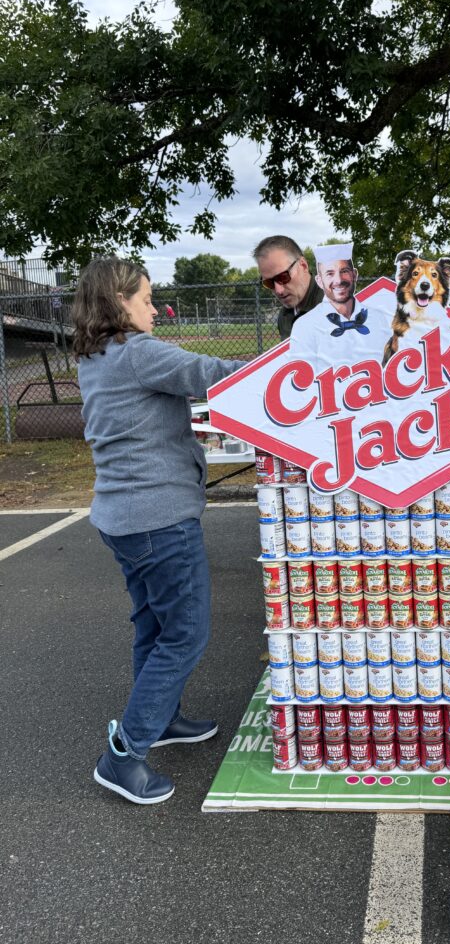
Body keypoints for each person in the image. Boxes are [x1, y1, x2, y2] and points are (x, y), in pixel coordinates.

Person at [73, 257, 246, 804]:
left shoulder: (96, 355)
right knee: (185, 634)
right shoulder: (137, 352)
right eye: (146, 299)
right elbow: (213, 374)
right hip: (158, 520)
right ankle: (124, 754)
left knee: (153, 626)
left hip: (122, 518)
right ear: (119, 301)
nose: (154, 308)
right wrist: (294, 366)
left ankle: (163, 717)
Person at [289, 243, 392, 364]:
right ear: (319, 281)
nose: (338, 280)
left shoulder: (378, 319)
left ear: (354, 275)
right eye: (330, 274)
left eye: (344, 271)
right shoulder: (305, 326)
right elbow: (302, 378)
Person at [252, 235, 324, 340]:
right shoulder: (285, 315)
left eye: (283, 277)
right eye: (269, 283)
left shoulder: (333, 306)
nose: (278, 290)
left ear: (303, 265)